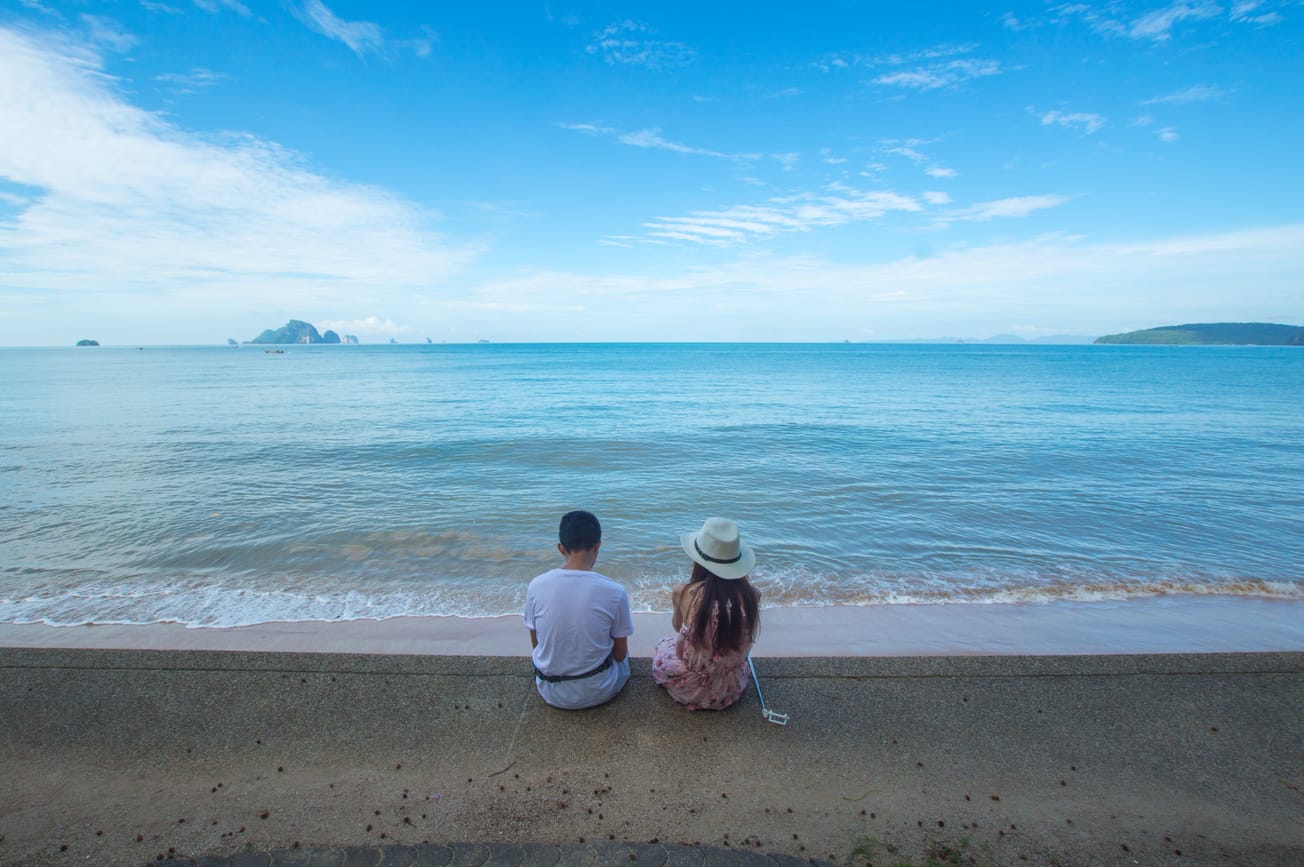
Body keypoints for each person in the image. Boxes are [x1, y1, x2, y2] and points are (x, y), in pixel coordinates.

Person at [523, 510, 633, 710]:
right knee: (623, 658)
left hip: (549, 690)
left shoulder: (536, 585)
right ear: (597, 546)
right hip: (599, 690)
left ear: (560, 548)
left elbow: (536, 644)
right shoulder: (615, 591)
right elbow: (619, 654)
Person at [652, 517, 760, 711]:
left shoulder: (684, 593)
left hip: (690, 686)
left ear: (698, 561)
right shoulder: (752, 596)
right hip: (730, 688)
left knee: (663, 644)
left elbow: (678, 627)